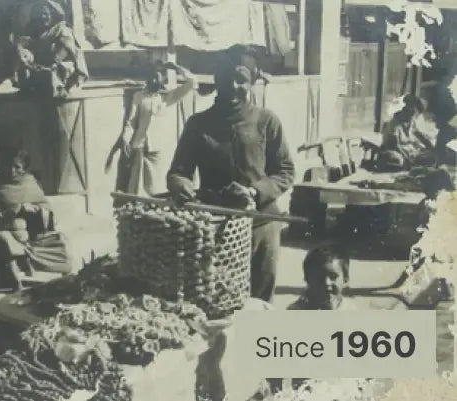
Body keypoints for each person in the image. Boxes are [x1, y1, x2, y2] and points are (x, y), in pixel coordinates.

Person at [167, 47, 295, 302]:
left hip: (261, 223)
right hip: (216, 228)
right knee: (219, 298)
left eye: (241, 80)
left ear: (251, 83)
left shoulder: (267, 121)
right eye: (227, 79)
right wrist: (182, 185)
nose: (233, 86)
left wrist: (255, 192)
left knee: (260, 299)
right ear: (217, 81)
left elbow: (285, 171)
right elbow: (178, 173)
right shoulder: (198, 124)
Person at [0, 148, 72, 291]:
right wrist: (6, 213)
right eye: (8, 166)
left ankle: (66, 280)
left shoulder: (31, 184)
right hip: (5, 231)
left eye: (17, 167)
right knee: (5, 240)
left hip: (32, 236)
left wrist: (36, 210)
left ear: (24, 168)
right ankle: (16, 282)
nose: (12, 171)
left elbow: (46, 209)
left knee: (61, 240)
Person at [113, 61, 197, 196]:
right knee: (137, 186)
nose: (154, 80)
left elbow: (192, 82)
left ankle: (155, 204)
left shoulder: (167, 97)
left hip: (158, 148)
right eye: (152, 76)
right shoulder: (139, 96)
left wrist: (177, 68)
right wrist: (125, 138)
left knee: (156, 185)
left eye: (158, 77)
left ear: (162, 79)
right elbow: (132, 121)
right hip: (140, 146)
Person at [14, 0, 88, 98]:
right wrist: (25, 55)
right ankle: (27, 88)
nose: (42, 17)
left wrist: (54, 62)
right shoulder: (32, 32)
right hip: (39, 71)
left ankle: (65, 88)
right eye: (38, 14)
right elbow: (23, 46)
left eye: (45, 14)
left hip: (60, 70)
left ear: (52, 15)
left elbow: (66, 48)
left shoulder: (61, 29)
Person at [287, 246, 357, 311]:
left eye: (333, 276)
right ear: (307, 279)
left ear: (345, 279)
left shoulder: (352, 311)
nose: (327, 282)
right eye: (319, 277)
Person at [378, 94, 436, 170]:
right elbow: (395, 144)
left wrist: (432, 148)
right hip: (396, 151)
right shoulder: (394, 123)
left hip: (412, 152)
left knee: (434, 156)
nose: (413, 115)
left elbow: (420, 135)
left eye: (415, 113)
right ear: (404, 109)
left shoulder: (411, 122)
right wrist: (408, 159)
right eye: (410, 111)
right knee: (397, 160)